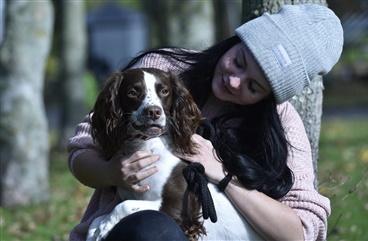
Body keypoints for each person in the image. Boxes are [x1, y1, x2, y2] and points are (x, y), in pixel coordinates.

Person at [68, 4, 343, 241]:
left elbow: (300, 232)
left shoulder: (283, 123)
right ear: (234, 41)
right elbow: (82, 150)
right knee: (151, 229)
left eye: (253, 86)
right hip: (134, 232)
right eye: (238, 61)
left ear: (269, 98)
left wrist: (222, 174)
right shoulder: (163, 69)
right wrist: (110, 173)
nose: (234, 81)